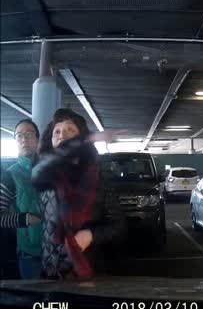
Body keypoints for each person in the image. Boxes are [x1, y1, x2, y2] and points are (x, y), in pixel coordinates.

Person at [32, 109, 126, 280]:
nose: (62, 135)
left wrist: (91, 235)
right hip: (52, 270)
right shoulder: (45, 173)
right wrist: (86, 139)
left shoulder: (99, 177)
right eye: (57, 131)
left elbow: (118, 225)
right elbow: (45, 166)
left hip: (90, 269)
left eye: (70, 130)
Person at [0, 119, 43, 279]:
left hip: (58, 250)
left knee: (62, 301)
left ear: (37, 139)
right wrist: (25, 219)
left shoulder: (49, 169)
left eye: (29, 134)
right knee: (34, 302)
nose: (24, 139)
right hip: (30, 255)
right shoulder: (9, 175)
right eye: (19, 136)